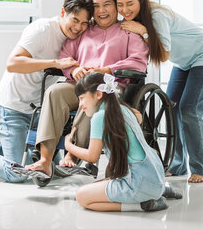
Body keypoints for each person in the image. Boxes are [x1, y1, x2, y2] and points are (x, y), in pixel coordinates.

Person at [0, 0, 94, 183]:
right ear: (63, 12)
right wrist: (55, 62)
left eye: (84, 23)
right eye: (75, 19)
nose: (78, 27)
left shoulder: (79, 38)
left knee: (47, 167)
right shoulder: (43, 30)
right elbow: (12, 63)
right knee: (16, 173)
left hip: (38, 112)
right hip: (12, 107)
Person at [25, 0, 149, 179]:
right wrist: (74, 69)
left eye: (107, 4)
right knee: (54, 92)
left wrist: (107, 69)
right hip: (79, 84)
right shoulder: (83, 30)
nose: (101, 10)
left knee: (93, 95)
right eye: (96, 6)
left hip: (110, 85)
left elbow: (138, 62)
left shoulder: (128, 31)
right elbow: (66, 55)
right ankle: (45, 159)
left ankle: (73, 154)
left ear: (116, 7)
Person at [115, 0, 203, 183]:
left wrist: (144, 32)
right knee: (171, 107)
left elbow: (163, 55)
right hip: (185, 62)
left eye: (130, 4)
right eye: (120, 4)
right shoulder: (136, 19)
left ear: (141, 0)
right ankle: (178, 165)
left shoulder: (156, 16)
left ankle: (202, 168)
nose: (125, 10)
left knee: (190, 110)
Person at [65, 72, 181, 212]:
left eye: (82, 98)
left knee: (82, 196)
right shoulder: (124, 109)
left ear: (98, 94)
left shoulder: (99, 117)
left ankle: (141, 205)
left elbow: (92, 156)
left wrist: (69, 146)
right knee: (101, 184)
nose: (80, 104)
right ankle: (156, 192)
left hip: (137, 183)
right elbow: (138, 118)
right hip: (156, 177)